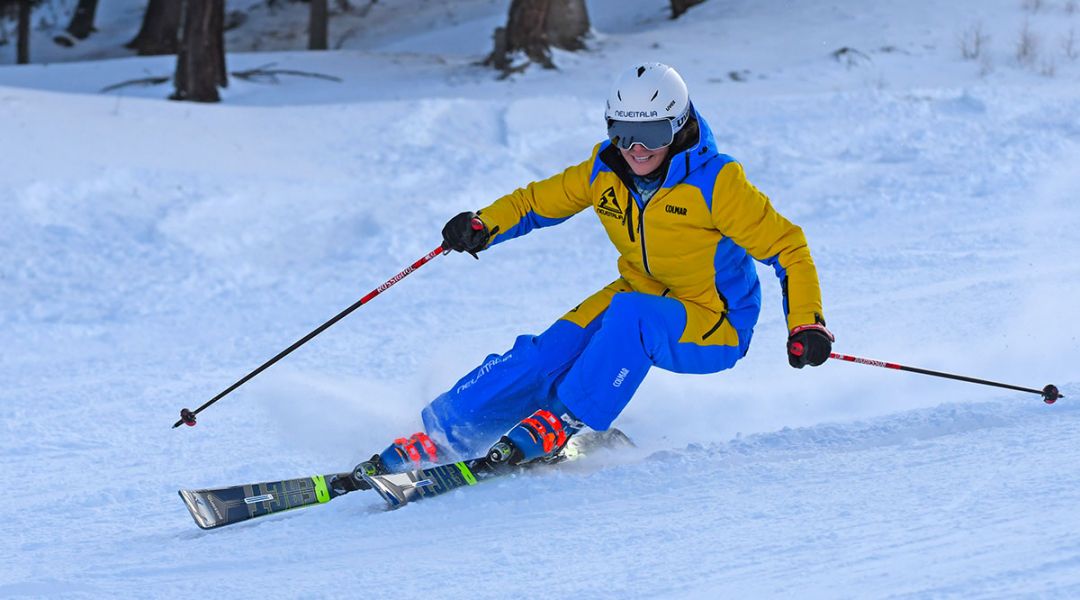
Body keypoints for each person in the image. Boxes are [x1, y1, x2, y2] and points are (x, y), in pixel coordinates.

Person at [365, 62, 833, 474]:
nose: (636, 148)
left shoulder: (718, 183)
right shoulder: (603, 170)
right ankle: (446, 431)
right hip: (637, 295)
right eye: (623, 132)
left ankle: (567, 421)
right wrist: (484, 224)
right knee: (545, 353)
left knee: (633, 319)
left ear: (680, 125)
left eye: (652, 135)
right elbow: (534, 202)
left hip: (714, 322)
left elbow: (788, 248)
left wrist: (807, 322)